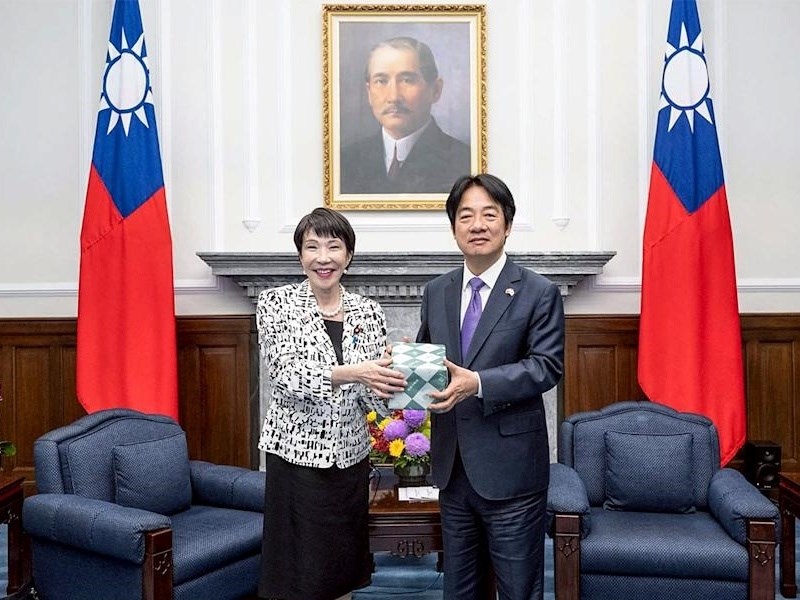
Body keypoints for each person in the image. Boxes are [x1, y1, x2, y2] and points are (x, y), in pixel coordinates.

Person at [416, 174, 565, 600]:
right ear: (454, 228)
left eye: (488, 215)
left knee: (519, 590)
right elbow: (432, 361)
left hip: (512, 471)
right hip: (453, 470)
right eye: (466, 216)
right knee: (460, 591)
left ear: (508, 224)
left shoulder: (538, 292)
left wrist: (478, 383)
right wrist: (408, 364)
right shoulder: (436, 291)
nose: (477, 225)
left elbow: (546, 367)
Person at [256, 207, 406, 600]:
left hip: (350, 459)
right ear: (300, 255)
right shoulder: (276, 304)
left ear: (348, 255)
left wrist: (397, 373)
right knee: (300, 572)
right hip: (296, 458)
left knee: (341, 569)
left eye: (334, 247)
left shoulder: (369, 311)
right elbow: (286, 375)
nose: (323, 258)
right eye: (312, 247)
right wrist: (356, 371)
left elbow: (373, 397)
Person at [340, 36, 471, 195]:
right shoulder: (344, 162)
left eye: (407, 80)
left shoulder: (464, 162)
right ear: (369, 92)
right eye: (381, 81)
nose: (393, 97)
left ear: (435, 90)